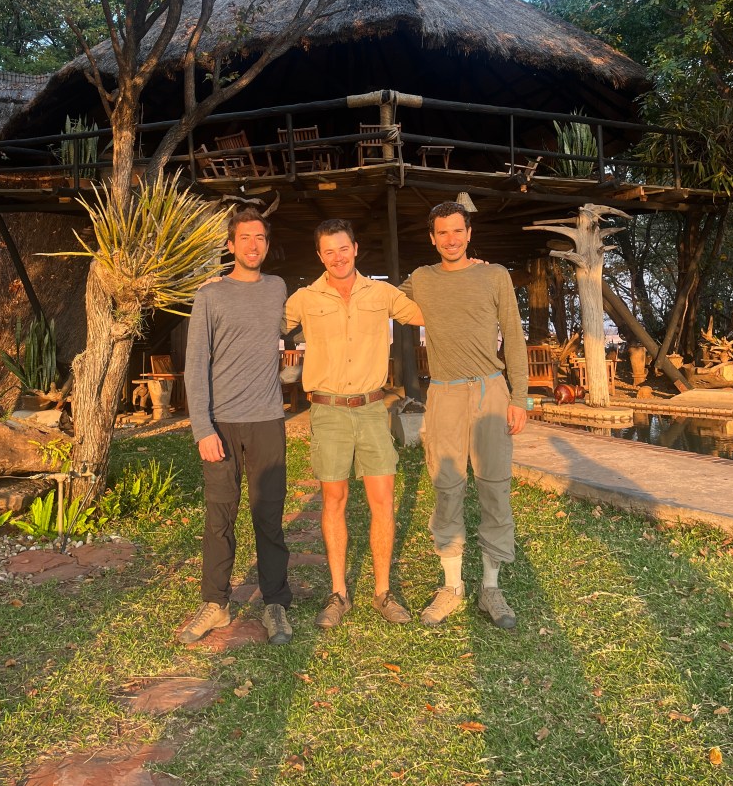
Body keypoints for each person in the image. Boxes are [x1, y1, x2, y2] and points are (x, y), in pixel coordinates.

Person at [283, 218, 424, 629]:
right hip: (327, 411)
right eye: (329, 251)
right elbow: (265, 324)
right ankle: (338, 593)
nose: (337, 257)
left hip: (371, 409)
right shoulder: (305, 299)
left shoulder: (381, 293)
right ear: (320, 255)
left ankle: (382, 592)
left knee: (383, 500)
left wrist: (463, 270)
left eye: (343, 248)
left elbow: (421, 312)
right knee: (334, 501)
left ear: (356, 248)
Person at [400, 201, 528, 628]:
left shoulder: (495, 275)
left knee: (494, 487)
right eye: (442, 233)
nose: (450, 239)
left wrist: (519, 396)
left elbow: (513, 334)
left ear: (469, 233)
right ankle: (452, 586)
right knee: (446, 485)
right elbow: (373, 297)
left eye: (458, 231)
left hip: (490, 390)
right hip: (444, 394)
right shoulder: (420, 279)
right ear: (431, 237)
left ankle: (491, 589)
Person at [179, 206, 293, 646]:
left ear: (267, 243)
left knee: (269, 515)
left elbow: (299, 325)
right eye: (244, 237)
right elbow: (195, 365)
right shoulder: (210, 295)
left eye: (260, 237)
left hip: (267, 419)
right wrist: (202, 428)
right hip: (221, 424)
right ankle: (216, 603)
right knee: (219, 515)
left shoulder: (278, 288)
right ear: (230, 244)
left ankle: (276, 604)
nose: (253, 245)